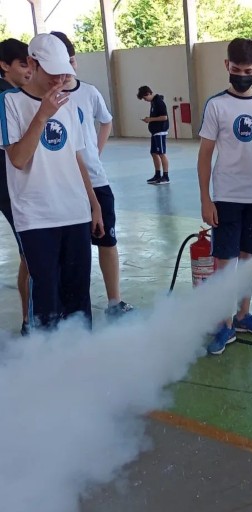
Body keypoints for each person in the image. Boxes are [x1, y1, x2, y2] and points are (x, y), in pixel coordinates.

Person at [0, 33, 104, 330]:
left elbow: (77, 158)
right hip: (36, 217)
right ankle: (45, 364)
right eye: (52, 73)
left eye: (63, 74)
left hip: (75, 212)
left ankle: (80, 359)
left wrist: (94, 205)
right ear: (32, 63)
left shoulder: (69, 105)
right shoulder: (10, 103)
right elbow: (18, 158)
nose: (58, 80)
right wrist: (43, 114)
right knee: (46, 296)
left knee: (78, 296)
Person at [198, 38, 252, 355]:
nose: (242, 75)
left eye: (248, 70)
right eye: (236, 69)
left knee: (249, 263)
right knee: (225, 264)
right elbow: (205, 156)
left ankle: (244, 315)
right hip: (226, 197)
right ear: (227, 67)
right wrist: (206, 199)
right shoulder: (217, 106)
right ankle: (224, 324)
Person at [51, 31, 133, 318]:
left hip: (96, 181)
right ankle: (69, 309)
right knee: (68, 252)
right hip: (63, 185)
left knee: (107, 241)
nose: (66, 68)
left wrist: (95, 151)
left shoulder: (89, 92)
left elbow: (106, 121)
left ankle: (114, 302)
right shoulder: (46, 98)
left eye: (70, 61)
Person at [0, 38, 32, 335]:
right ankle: (29, 320)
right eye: (23, 64)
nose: (29, 70)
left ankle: (30, 318)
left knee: (30, 254)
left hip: (18, 188)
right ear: (4, 66)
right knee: (32, 253)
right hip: (9, 190)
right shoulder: (6, 99)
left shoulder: (20, 94)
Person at [137, 85, 169, 185]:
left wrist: (150, 119)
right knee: (154, 153)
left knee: (161, 153)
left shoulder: (159, 102)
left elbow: (164, 117)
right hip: (154, 132)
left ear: (149, 93)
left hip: (160, 131)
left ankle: (166, 176)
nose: (145, 100)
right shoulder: (153, 102)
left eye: (145, 98)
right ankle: (157, 174)